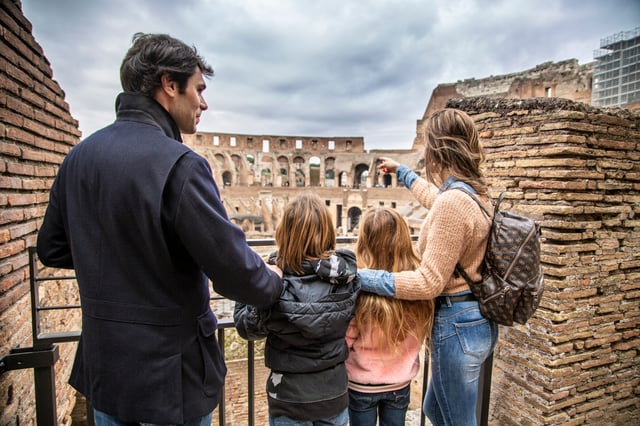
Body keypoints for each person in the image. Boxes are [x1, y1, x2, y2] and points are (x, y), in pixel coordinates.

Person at [36, 33, 284, 426]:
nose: (204, 102)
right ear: (170, 84)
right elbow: (234, 271)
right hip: (172, 380)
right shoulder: (181, 165)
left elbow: (51, 248)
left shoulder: (78, 159)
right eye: (199, 89)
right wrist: (272, 279)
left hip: (107, 373)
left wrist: (120, 253)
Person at [358, 108, 499, 426]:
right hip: (477, 319)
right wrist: (402, 172)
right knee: (435, 410)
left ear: (438, 150)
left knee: (457, 421)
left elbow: (428, 282)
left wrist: (362, 277)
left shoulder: (455, 202)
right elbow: (436, 198)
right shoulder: (473, 195)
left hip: (457, 325)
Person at [234, 193, 360, 426]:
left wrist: (254, 283)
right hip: (333, 392)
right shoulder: (346, 277)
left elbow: (247, 328)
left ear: (285, 233)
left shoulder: (274, 279)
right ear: (328, 232)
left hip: (288, 396)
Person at [346, 207, 434, 426]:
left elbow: (347, 338)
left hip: (361, 383)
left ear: (364, 241)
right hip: (399, 382)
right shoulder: (416, 287)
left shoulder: (357, 288)